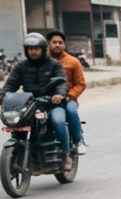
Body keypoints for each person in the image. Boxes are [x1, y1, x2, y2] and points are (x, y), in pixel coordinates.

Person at [2, 33, 71, 171]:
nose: (33, 51)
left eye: (36, 48)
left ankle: (66, 154)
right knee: (19, 123)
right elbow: (10, 85)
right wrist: (3, 95)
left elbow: (62, 82)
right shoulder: (21, 66)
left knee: (58, 121)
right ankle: (23, 151)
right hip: (31, 104)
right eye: (30, 49)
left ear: (43, 49)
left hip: (52, 103)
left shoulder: (54, 64)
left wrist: (59, 95)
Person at [46, 31, 86, 156]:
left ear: (64, 45)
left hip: (69, 98)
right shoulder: (42, 61)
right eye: (54, 42)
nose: (57, 45)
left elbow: (81, 84)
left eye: (60, 43)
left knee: (71, 111)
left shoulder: (73, 62)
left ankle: (79, 141)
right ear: (48, 44)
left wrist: (70, 96)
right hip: (47, 99)